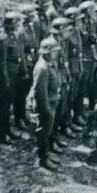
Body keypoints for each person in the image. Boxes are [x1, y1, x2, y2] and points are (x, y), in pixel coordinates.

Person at [29, 37, 63, 170]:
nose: (57, 53)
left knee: (48, 131)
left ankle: (47, 154)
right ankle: (43, 159)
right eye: (54, 51)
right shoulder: (42, 68)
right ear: (47, 52)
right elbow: (40, 93)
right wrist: (46, 110)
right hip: (45, 105)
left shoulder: (49, 63)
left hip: (52, 102)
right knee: (43, 132)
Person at [0, 11, 24, 144]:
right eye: (18, 22)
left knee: (10, 103)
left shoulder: (14, 35)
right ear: (12, 24)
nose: (19, 24)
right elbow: (2, 63)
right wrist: (5, 80)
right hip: (6, 76)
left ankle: (7, 129)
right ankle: (2, 133)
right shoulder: (3, 39)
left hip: (14, 74)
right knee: (4, 106)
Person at [49, 17, 74, 150]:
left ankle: (57, 135)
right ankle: (51, 142)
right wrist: (59, 84)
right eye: (66, 30)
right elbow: (53, 68)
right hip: (56, 83)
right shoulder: (52, 45)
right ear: (60, 31)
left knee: (61, 110)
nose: (68, 32)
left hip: (63, 80)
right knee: (54, 113)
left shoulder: (61, 42)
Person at [15, 3, 40, 135]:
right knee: (20, 93)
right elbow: (20, 53)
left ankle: (24, 115)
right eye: (31, 15)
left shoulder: (31, 27)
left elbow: (35, 45)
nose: (33, 17)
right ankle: (19, 118)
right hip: (24, 65)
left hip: (32, 62)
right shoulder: (20, 31)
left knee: (26, 92)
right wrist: (24, 69)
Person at [64, 6, 89, 133]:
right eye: (79, 19)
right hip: (71, 70)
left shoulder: (77, 31)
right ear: (73, 20)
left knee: (79, 93)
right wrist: (68, 73)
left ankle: (77, 116)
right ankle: (67, 124)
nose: (81, 21)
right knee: (70, 98)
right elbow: (65, 57)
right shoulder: (67, 35)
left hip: (78, 67)